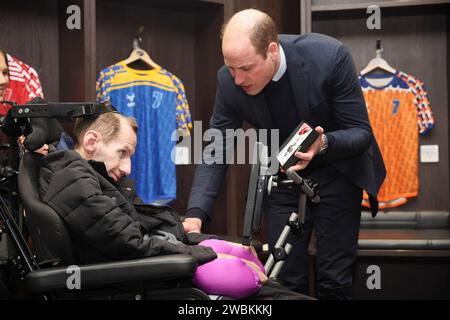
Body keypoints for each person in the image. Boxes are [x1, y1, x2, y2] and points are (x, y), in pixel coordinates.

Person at [183, 9, 386, 300]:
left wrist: (323, 143)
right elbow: (217, 148)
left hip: (338, 170)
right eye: (231, 68)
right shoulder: (229, 82)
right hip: (282, 175)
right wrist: (195, 215)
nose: (238, 79)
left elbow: (360, 133)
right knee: (285, 279)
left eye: (246, 68)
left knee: (334, 280)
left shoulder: (328, 57)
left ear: (272, 51)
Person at [34, 111, 311, 299]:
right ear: (93, 141)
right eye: (122, 153)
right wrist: (204, 253)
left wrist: (205, 240)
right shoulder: (74, 180)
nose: (128, 167)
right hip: (147, 281)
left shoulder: (92, 178)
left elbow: (143, 226)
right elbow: (132, 243)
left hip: (155, 271)